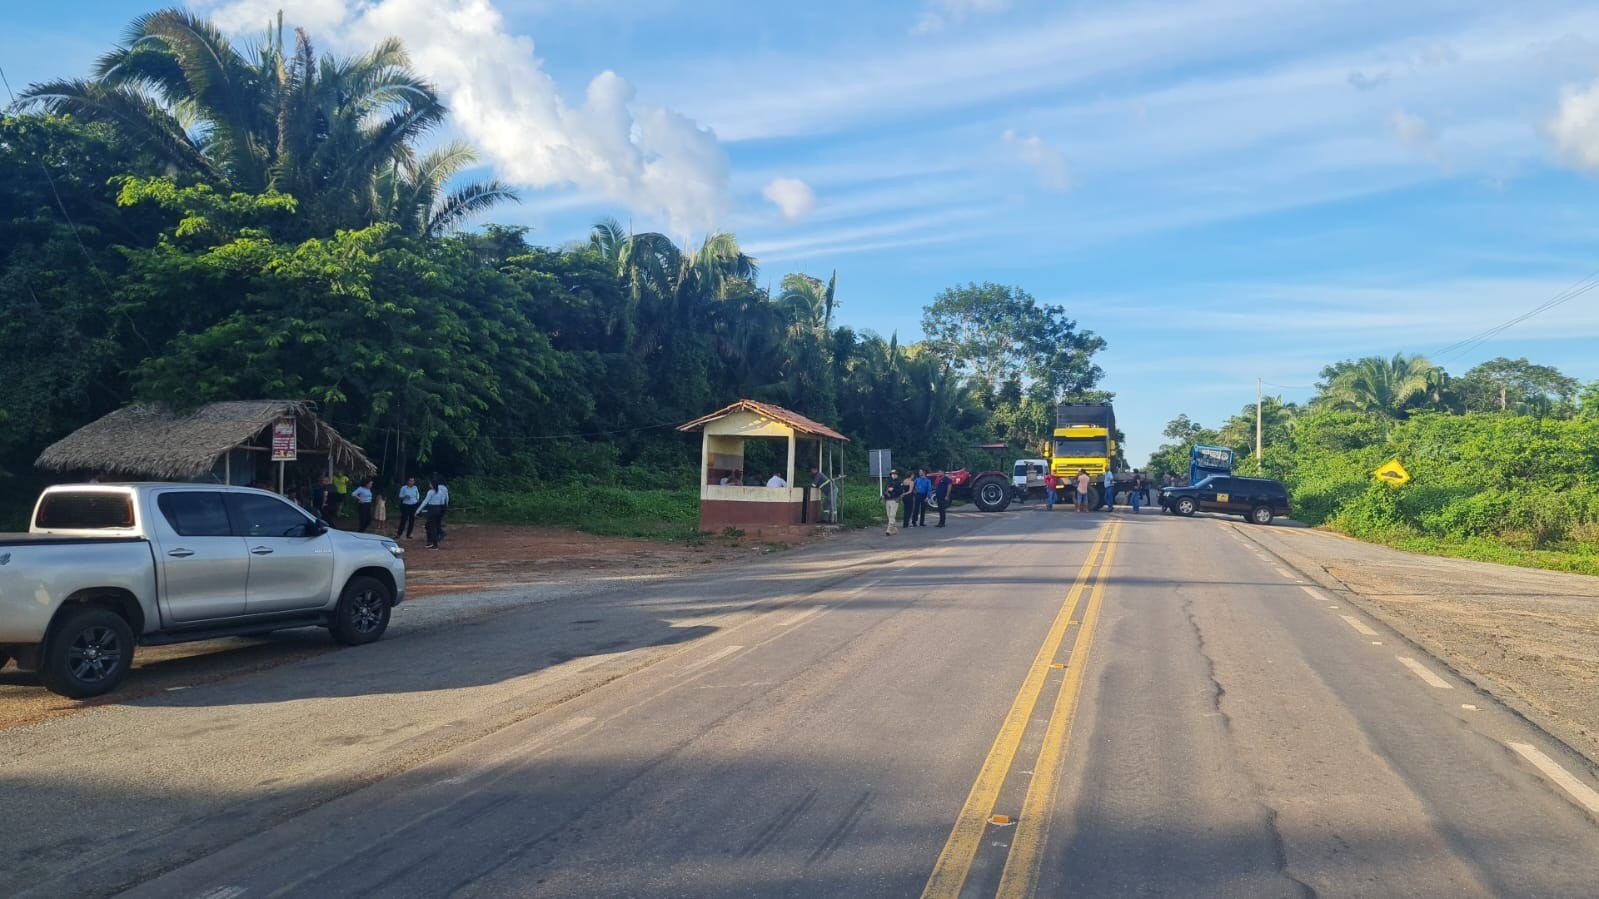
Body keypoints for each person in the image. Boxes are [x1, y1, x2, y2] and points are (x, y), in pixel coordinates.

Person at [418, 478, 446, 549]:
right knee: (429, 525)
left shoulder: (430, 492)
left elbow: (425, 501)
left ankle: (435, 544)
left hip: (432, 509)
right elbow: (442, 501)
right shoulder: (440, 492)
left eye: (430, 483)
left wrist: (418, 510)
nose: (429, 484)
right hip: (438, 509)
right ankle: (430, 541)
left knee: (432, 527)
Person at [882, 469, 906, 536]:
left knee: (892, 515)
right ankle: (894, 529)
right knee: (889, 516)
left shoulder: (899, 482)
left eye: (895, 474)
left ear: (897, 475)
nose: (894, 475)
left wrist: (893, 489)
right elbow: (884, 490)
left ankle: (889, 530)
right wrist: (884, 495)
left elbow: (901, 491)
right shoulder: (888, 482)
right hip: (888, 500)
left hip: (895, 500)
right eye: (892, 474)